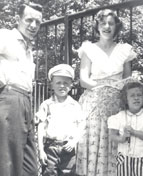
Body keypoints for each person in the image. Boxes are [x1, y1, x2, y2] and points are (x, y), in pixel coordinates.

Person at [75, 9, 137, 176]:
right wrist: (103, 89)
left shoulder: (124, 50)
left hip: (116, 102)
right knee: (94, 144)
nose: (107, 27)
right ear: (97, 26)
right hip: (94, 101)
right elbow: (83, 80)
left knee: (115, 144)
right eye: (103, 23)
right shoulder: (89, 48)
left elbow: (128, 81)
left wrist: (115, 92)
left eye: (111, 23)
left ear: (116, 26)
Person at [0, 2, 42, 176]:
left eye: (37, 22)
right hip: (9, 99)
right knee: (8, 164)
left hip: (25, 102)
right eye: (29, 20)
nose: (33, 25)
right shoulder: (5, 36)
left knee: (30, 167)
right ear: (18, 19)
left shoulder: (28, 46)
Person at [36, 64, 84, 176]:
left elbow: (81, 125)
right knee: (49, 173)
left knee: (68, 173)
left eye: (66, 83)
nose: (62, 86)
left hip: (68, 147)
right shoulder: (46, 105)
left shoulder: (75, 105)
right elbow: (41, 127)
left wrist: (74, 141)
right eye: (58, 83)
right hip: (50, 147)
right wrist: (41, 150)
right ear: (51, 85)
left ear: (71, 85)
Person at [108, 81, 143, 176]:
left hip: (141, 159)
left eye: (139, 95)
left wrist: (134, 132)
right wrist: (122, 138)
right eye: (132, 95)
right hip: (123, 159)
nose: (136, 98)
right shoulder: (119, 117)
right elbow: (112, 136)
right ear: (125, 99)